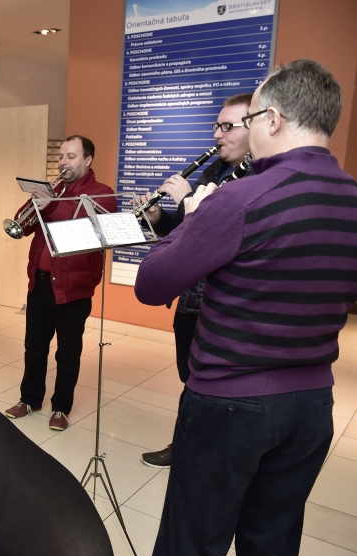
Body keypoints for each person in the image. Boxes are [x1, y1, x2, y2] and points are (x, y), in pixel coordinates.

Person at [136, 59, 355, 556]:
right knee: (272, 546)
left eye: (251, 119)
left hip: (230, 404)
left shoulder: (239, 197)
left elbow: (152, 284)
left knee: (192, 547)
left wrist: (194, 217)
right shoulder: (351, 197)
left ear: (273, 119)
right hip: (312, 405)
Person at [138, 93, 254, 468]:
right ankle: (187, 445)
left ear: (254, 127)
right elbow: (184, 234)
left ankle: (201, 453)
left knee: (215, 384)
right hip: (191, 299)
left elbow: (218, 236)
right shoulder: (212, 172)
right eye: (216, 126)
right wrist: (159, 218)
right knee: (189, 377)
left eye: (227, 126)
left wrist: (190, 203)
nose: (217, 135)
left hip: (221, 304)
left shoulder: (256, 181)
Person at [4, 136, 116, 431]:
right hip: (40, 284)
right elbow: (22, 224)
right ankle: (30, 399)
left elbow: (83, 227)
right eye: (61, 157)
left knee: (67, 353)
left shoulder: (101, 194)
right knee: (34, 348)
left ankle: (61, 408)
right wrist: (36, 204)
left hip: (74, 289)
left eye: (71, 156)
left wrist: (50, 205)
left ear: (88, 160)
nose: (63, 162)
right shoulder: (54, 191)